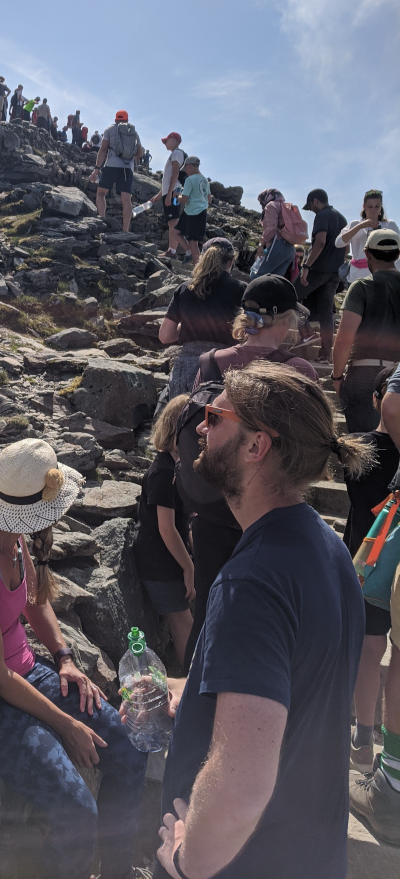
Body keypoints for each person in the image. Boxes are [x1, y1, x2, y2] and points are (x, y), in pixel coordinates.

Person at [149, 362, 371, 879]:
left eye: (215, 415)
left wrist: (188, 859)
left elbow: (241, 787)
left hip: (247, 861)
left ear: (257, 447)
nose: (200, 426)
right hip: (309, 852)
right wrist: (197, 688)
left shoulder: (249, 582)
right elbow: (300, 679)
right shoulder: (325, 544)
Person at [0, 439, 148, 879]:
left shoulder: (10, 535)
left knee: (129, 746)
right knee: (74, 807)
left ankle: (117, 869)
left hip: (20, 673)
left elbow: (32, 600)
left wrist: (63, 657)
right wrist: (67, 725)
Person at [181, 275, 320, 669]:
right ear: (287, 318)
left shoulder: (210, 362)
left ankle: (194, 692)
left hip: (209, 509)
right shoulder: (298, 370)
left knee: (209, 608)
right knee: (265, 611)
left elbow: (198, 433)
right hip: (266, 513)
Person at [343, 369, 400, 781]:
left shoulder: (360, 446)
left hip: (368, 556)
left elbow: (359, 498)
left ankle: (363, 738)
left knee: (368, 646)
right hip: (388, 558)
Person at [134, 395, 195, 667]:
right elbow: (166, 528)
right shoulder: (162, 472)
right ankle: (194, 679)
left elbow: (183, 522)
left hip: (172, 557)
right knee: (182, 621)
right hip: (160, 561)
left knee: (186, 618)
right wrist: (189, 568)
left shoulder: (177, 466)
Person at [331, 228, 400, 432]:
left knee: (364, 451)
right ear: (397, 254)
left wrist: (337, 377)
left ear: (367, 253)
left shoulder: (361, 287)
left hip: (364, 377)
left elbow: (344, 339)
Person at [159, 238, 245, 397]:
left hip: (186, 369)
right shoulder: (241, 289)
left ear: (202, 259)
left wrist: (187, 326)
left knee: (180, 416)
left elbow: (165, 336)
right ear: (231, 262)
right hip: (226, 368)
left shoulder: (184, 289)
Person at [294, 188, 347, 363]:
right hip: (335, 273)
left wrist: (307, 266)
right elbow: (346, 248)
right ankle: (325, 354)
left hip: (319, 270)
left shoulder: (323, 215)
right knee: (326, 313)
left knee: (289, 295)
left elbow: (320, 241)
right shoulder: (342, 219)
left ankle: (308, 333)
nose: (311, 211)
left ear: (315, 201)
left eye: (310, 207)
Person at [91, 109, 144, 233]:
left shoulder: (109, 130)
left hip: (111, 165)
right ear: (127, 120)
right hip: (127, 169)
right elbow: (140, 153)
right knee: (126, 199)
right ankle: (125, 230)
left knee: (101, 193)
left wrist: (97, 169)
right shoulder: (134, 132)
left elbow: (103, 149)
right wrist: (129, 158)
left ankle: (102, 220)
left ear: (116, 119)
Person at [336, 190, 400, 285]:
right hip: (357, 278)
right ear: (364, 207)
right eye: (370, 206)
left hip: (384, 278)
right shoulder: (355, 224)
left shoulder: (390, 225)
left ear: (381, 207)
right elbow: (338, 243)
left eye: (377, 206)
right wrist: (360, 226)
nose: (373, 210)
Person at [150, 133, 184, 259]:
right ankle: (172, 250)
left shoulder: (176, 153)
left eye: (166, 141)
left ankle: (172, 251)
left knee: (174, 221)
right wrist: (160, 195)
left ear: (174, 140)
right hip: (171, 191)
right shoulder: (175, 154)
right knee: (172, 221)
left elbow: (175, 174)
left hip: (173, 192)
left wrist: (169, 194)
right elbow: (168, 178)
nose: (165, 143)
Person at [252, 188, 297, 278]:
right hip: (290, 249)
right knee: (273, 281)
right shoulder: (286, 207)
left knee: (256, 276)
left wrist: (261, 244)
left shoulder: (271, 206)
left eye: (261, 201)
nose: (261, 204)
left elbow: (271, 229)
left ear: (267, 197)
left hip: (278, 245)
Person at [175, 157, 211, 264]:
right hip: (200, 212)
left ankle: (197, 268)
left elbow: (184, 199)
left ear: (189, 166)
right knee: (178, 232)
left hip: (192, 212)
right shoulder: (205, 180)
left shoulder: (189, 180)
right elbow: (209, 199)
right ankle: (189, 252)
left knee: (192, 241)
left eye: (186, 169)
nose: (186, 172)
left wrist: (177, 196)